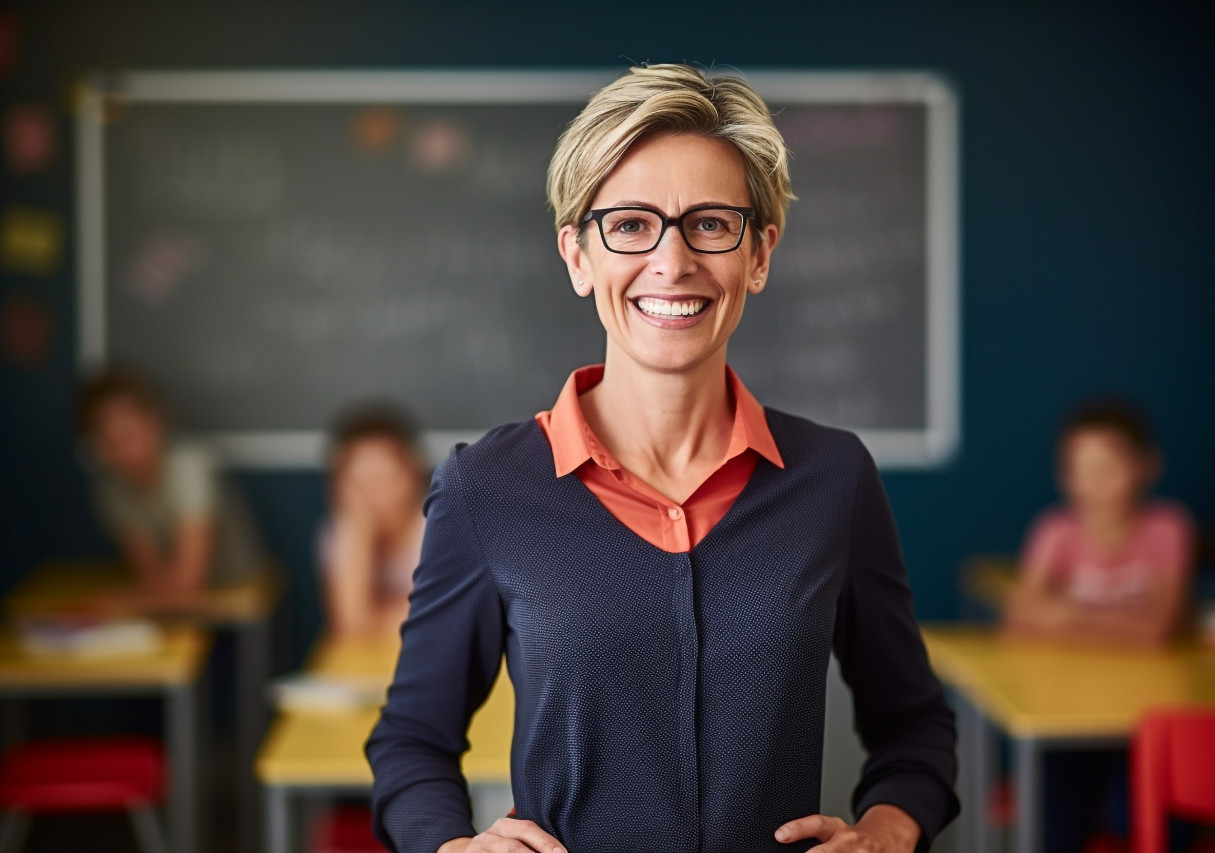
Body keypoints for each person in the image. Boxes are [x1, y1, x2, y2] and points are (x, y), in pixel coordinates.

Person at [367, 64, 959, 853]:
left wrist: (888, 830)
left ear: (759, 254)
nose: (672, 262)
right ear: (578, 255)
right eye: (631, 224)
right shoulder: (487, 488)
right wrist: (450, 846)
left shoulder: (834, 479)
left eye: (711, 223)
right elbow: (411, 736)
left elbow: (915, 725)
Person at [1002, 399, 1195, 647]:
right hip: (1072, 676)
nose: (1094, 483)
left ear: (1148, 466)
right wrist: (1125, 627)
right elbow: (1019, 618)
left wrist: (1066, 617)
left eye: (1107, 469)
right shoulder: (1055, 530)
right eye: (1079, 470)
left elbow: (1159, 627)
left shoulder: (1168, 527)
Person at [78, 365, 264, 597]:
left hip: (231, 586)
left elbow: (189, 582)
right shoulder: (111, 489)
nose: (125, 452)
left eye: (128, 434)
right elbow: (151, 574)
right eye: (111, 442)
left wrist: (117, 603)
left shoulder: (190, 467)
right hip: (173, 600)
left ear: (156, 422)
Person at [318, 404, 428, 638]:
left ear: (413, 476)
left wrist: (375, 617)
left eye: (386, 479)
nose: (373, 497)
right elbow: (351, 624)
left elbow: (443, 620)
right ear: (336, 487)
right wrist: (358, 536)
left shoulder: (440, 528)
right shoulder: (344, 530)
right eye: (358, 483)